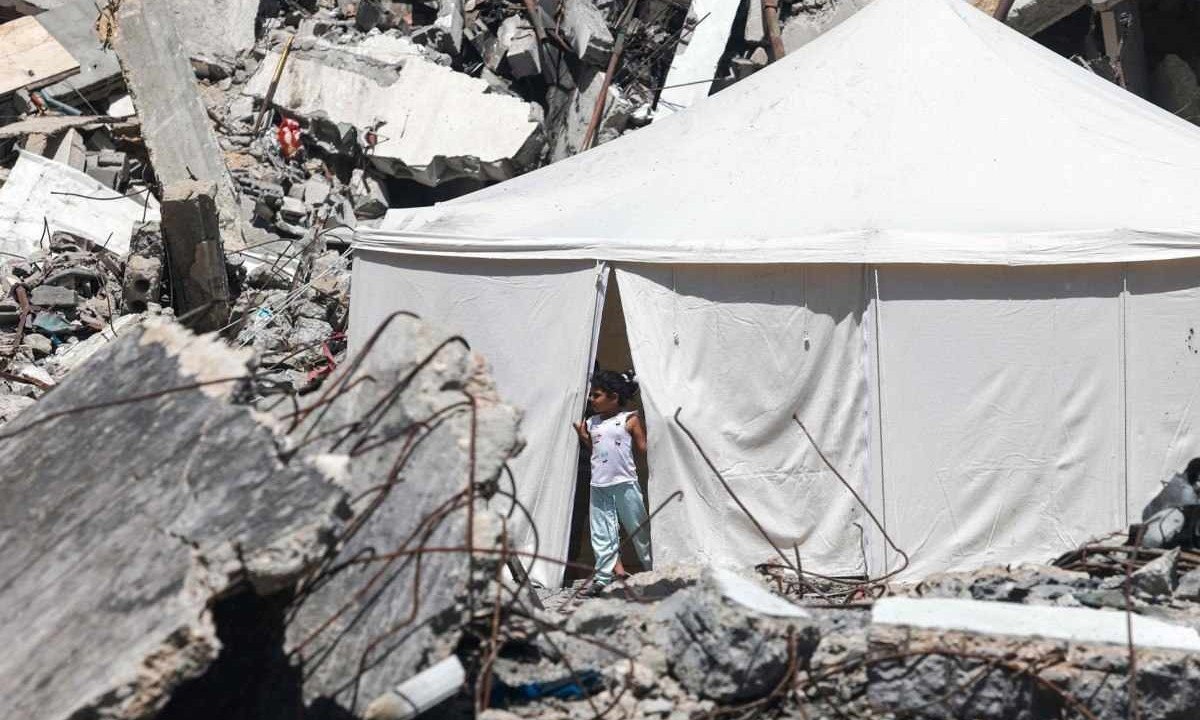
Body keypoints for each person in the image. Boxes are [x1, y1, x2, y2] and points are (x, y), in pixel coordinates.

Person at [573, 369, 653, 592]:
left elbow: (644, 447)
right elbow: (598, 450)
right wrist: (585, 438)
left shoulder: (629, 419)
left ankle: (652, 567)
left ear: (614, 397)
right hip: (599, 485)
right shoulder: (591, 422)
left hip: (625, 482)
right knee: (602, 531)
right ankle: (603, 576)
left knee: (637, 527)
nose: (591, 399)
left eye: (596, 395)